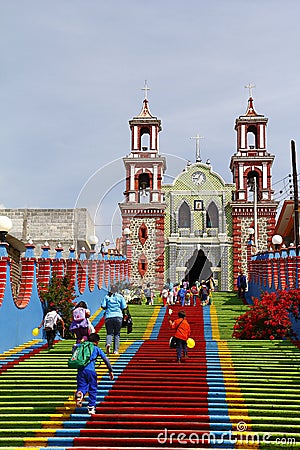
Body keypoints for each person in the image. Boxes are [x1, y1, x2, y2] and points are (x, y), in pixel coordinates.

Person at [75, 332, 114, 415]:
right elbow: (106, 360)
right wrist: (110, 370)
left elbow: (74, 351)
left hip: (80, 370)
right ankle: (91, 407)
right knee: (93, 388)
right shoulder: (96, 348)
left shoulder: (81, 346)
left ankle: (80, 393)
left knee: (82, 386)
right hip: (91, 371)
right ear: (96, 342)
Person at [101, 285, 127, 355]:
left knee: (109, 333)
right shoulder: (120, 296)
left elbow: (103, 306)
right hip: (118, 316)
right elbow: (124, 306)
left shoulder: (107, 297)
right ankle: (115, 350)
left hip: (108, 316)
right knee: (117, 333)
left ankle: (108, 343)